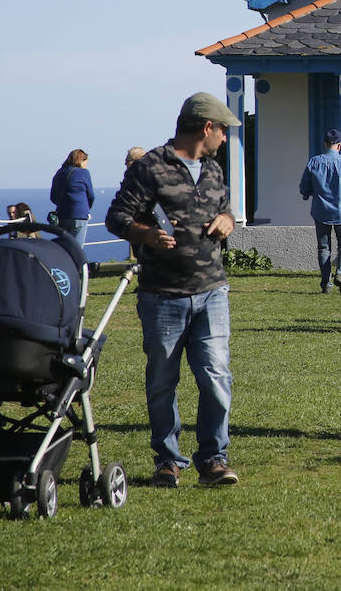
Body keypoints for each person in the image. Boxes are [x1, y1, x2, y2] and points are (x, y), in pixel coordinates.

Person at [105, 92, 241, 488]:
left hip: (212, 291)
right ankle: (168, 460)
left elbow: (225, 209)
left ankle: (214, 459)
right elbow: (117, 216)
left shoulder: (214, 170)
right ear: (207, 128)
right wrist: (145, 233)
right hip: (162, 295)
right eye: (223, 131)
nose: (225, 140)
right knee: (162, 381)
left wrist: (228, 220)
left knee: (216, 377)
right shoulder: (150, 167)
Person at [300, 128, 341, 294]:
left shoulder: (314, 162)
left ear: (325, 144)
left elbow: (304, 187)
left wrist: (309, 194)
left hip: (321, 211)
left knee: (324, 248)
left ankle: (326, 283)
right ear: (339, 145)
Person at [50, 149, 96, 249]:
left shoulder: (59, 173)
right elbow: (91, 195)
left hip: (62, 216)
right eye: (86, 162)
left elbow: (53, 197)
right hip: (79, 215)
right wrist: (86, 210)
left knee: (64, 249)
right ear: (81, 160)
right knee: (77, 250)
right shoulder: (83, 173)